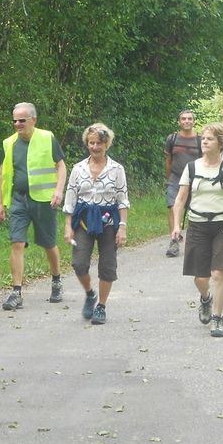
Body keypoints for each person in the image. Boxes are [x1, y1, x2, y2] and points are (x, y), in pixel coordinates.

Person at [170, 124, 223, 338]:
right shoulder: (192, 168)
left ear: (220, 143)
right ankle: (205, 298)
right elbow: (180, 200)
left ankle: (218, 317)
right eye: (203, 138)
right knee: (200, 277)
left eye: (209, 139)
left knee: (219, 273)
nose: (204, 142)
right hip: (197, 225)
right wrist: (177, 225)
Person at [0, 102, 67, 310]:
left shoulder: (47, 138)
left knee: (48, 243)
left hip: (44, 200)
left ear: (33, 120)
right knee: (17, 243)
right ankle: (16, 292)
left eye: (22, 120)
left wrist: (58, 190)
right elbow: (1, 174)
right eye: (15, 120)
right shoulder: (8, 143)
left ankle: (56, 281)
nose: (17, 124)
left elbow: (61, 165)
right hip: (18, 200)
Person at [63, 124, 129, 325]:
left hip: (108, 221)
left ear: (106, 144)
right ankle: (90, 293)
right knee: (79, 263)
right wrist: (68, 226)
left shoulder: (117, 169)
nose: (94, 147)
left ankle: (101, 306)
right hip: (83, 221)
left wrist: (123, 227)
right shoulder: (78, 168)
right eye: (91, 143)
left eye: (99, 143)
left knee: (107, 266)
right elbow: (70, 197)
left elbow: (122, 199)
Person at [163, 110, 202, 257]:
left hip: (194, 181)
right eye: (184, 119)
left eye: (189, 119)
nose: (187, 121)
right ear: (179, 122)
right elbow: (168, 160)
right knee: (173, 208)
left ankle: (194, 243)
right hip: (175, 179)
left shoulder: (199, 140)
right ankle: (174, 241)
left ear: (193, 121)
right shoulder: (172, 139)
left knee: (195, 212)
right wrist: (169, 179)